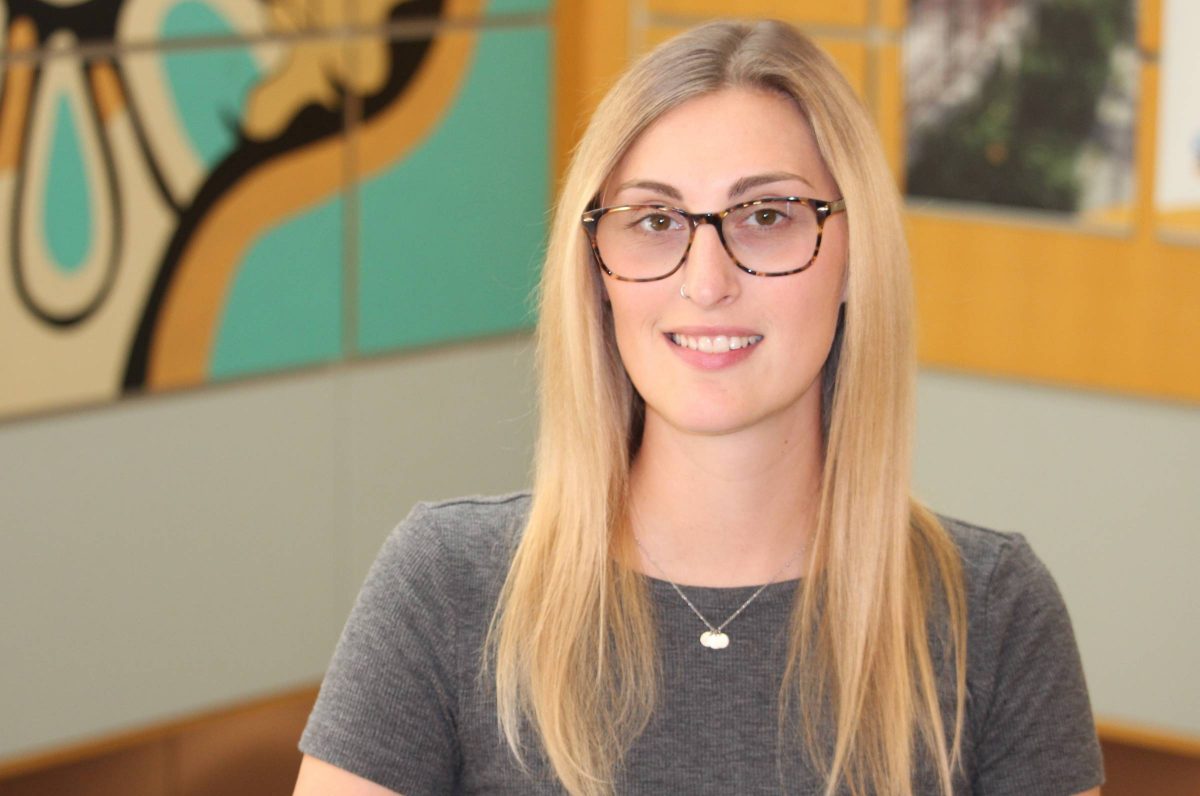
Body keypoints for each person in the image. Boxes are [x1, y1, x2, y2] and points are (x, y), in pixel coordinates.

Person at [293, 19, 1104, 796]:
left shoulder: (992, 614)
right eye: (653, 220)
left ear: (856, 258)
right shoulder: (446, 587)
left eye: (766, 217)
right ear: (597, 270)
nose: (706, 281)